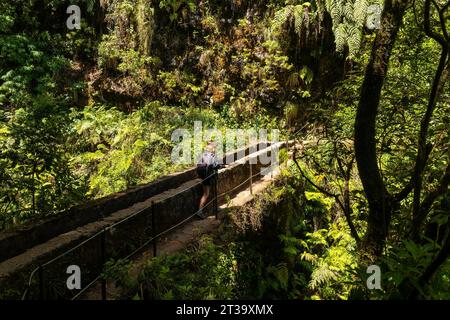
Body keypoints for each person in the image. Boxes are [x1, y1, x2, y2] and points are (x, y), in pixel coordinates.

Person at [196, 141, 222, 219]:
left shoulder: (203, 154)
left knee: (211, 192)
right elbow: (215, 165)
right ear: (212, 147)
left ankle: (215, 207)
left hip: (204, 176)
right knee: (207, 193)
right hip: (210, 176)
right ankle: (200, 211)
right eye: (215, 147)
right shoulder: (212, 155)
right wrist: (221, 166)